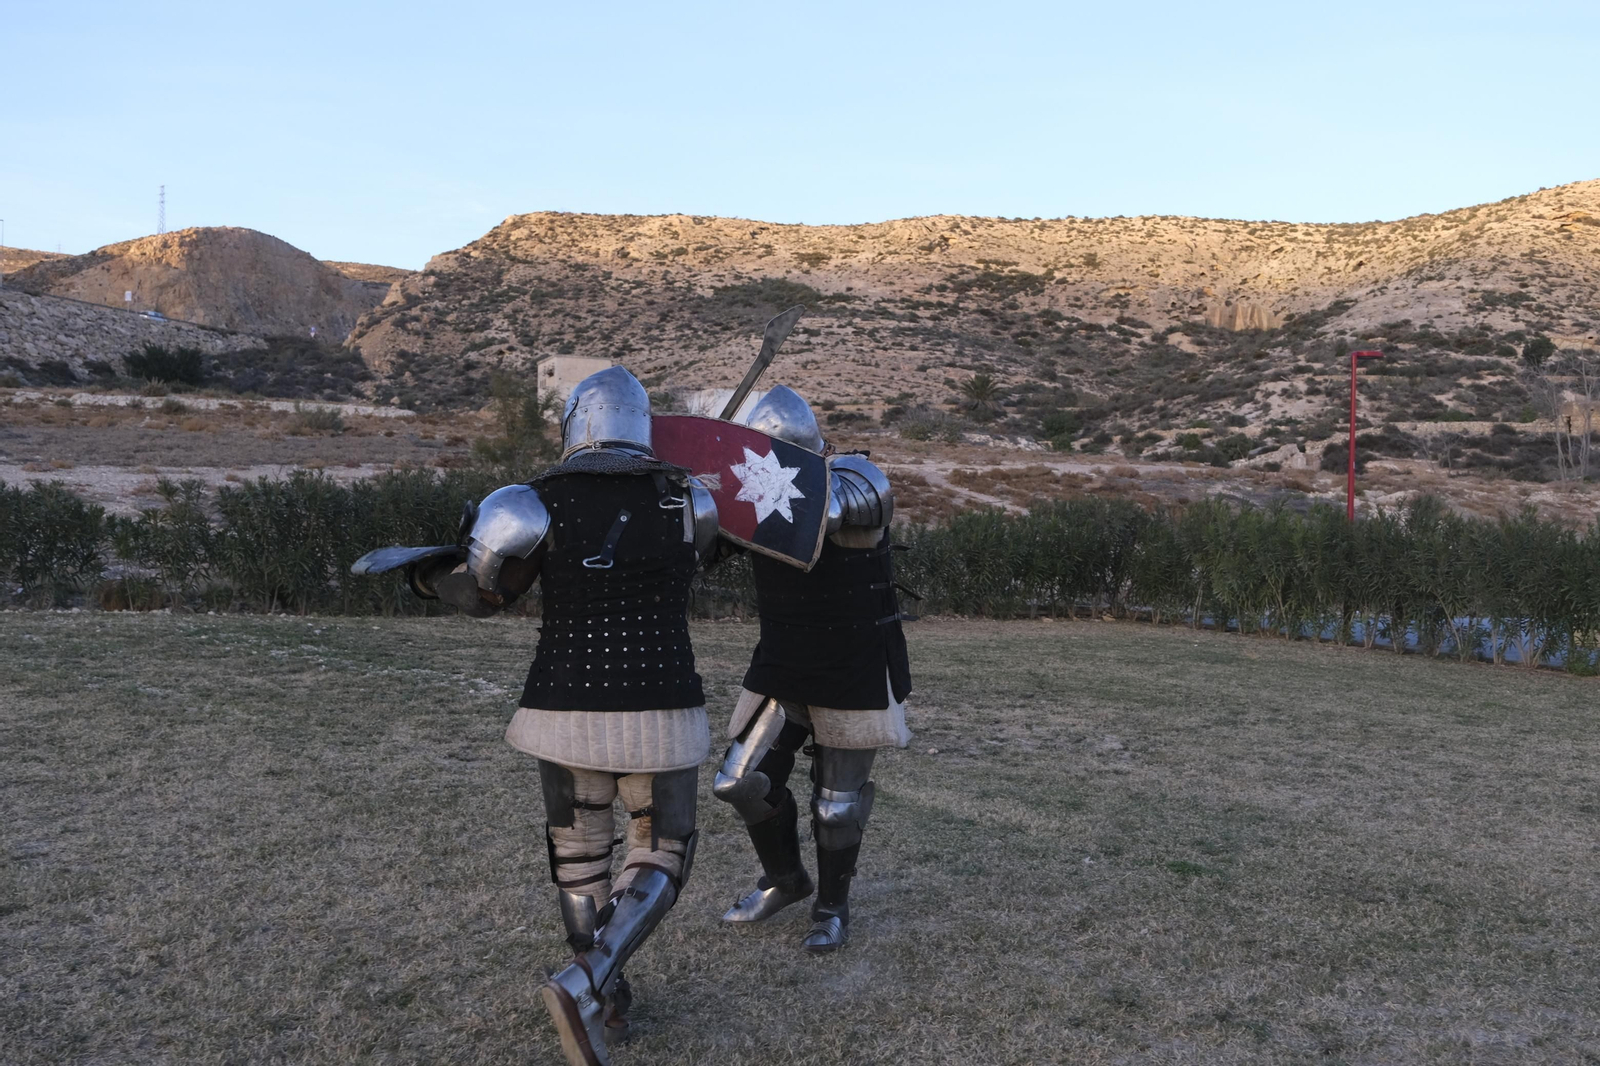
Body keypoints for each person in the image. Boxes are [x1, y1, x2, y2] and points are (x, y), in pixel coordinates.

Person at [387, 367, 719, 1066]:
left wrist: (421, 574)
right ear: (640, 424)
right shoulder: (691, 500)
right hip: (660, 700)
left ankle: (601, 991)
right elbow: (704, 558)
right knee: (659, 854)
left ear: (573, 425)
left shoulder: (527, 503)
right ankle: (594, 981)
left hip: (565, 702)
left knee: (579, 857)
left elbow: (484, 595)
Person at [711, 384, 913, 953]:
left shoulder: (855, 477)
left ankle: (832, 909)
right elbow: (702, 545)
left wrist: (731, 487)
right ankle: (785, 880)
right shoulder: (750, 488)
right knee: (740, 782)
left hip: (852, 665)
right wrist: (692, 488)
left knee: (835, 806)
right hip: (785, 660)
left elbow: (813, 514)